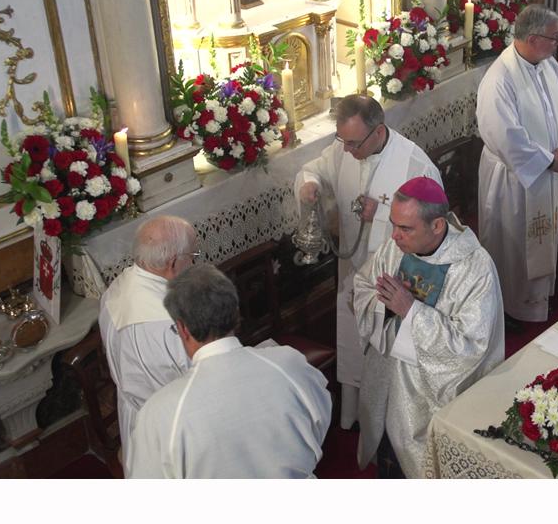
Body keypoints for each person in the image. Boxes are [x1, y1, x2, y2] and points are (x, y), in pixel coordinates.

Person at [295, 94, 442, 430]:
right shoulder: (346, 148)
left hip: (395, 279)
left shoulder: (415, 166)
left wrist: (381, 217)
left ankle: (389, 419)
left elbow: (433, 229)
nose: (347, 151)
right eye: (342, 141)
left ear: (378, 132)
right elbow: (312, 169)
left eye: (354, 143)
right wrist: (310, 187)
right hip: (352, 271)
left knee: (384, 353)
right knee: (352, 342)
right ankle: (353, 413)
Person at [353, 177, 504, 478]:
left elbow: (471, 345)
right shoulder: (396, 247)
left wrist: (411, 310)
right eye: (393, 224)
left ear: (436, 226)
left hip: (431, 395)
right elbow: (363, 285)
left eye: (405, 228)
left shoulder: (474, 268)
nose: (394, 235)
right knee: (388, 461)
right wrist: (383, 303)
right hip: (386, 375)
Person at [127, 264, 331, 478]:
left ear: (183, 329)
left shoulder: (159, 412)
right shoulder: (289, 363)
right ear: (236, 312)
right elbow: (320, 421)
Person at [477, 4, 558, 324]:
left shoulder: (546, 65)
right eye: (555, 37)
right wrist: (548, 160)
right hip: (513, 179)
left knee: (541, 236)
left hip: (548, 170)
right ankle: (509, 305)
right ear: (534, 39)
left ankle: (538, 296)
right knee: (511, 244)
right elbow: (506, 135)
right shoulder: (499, 78)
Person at [98, 214, 197, 466]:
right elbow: (190, 388)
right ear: (173, 263)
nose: (193, 264)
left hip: (138, 412)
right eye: (192, 258)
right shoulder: (165, 325)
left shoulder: (120, 284)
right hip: (171, 431)